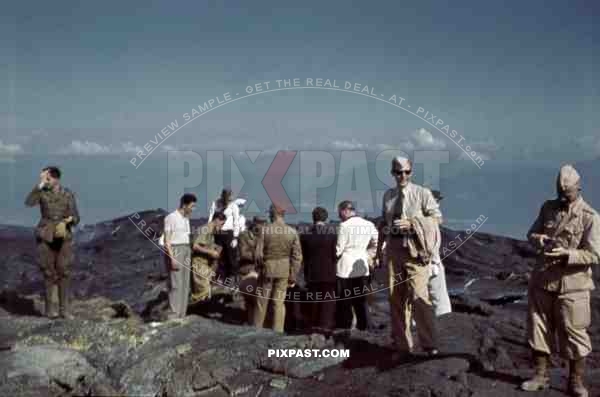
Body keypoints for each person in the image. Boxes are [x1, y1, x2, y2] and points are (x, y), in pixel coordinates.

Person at [520, 164, 600, 397]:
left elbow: (594, 254)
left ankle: (575, 381)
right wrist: (540, 240)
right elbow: (531, 234)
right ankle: (540, 376)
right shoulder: (548, 208)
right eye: (560, 192)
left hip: (572, 285)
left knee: (574, 332)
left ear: (579, 188)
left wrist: (569, 255)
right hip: (543, 279)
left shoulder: (590, 217)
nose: (563, 197)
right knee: (538, 328)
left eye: (568, 193)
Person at [377, 156, 441, 357]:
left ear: (411, 172)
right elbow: (383, 221)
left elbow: (437, 218)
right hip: (394, 250)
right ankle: (402, 344)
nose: (402, 175)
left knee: (419, 296)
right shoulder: (388, 195)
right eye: (398, 172)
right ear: (392, 173)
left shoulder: (422, 193)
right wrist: (380, 248)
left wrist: (413, 223)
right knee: (396, 298)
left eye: (406, 172)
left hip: (415, 252)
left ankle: (429, 344)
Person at [25, 166, 80, 319]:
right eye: (44, 178)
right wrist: (40, 184)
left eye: (47, 178)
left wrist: (67, 222)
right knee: (48, 273)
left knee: (64, 271)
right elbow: (29, 202)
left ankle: (65, 310)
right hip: (45, 234)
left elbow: (76, 217)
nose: (45, 180)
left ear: (55, 178)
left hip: (63, 236)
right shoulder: (41, 192)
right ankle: (50, 310)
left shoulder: (67, 194)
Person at [253, 203, 303, 333]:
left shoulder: (264, 230)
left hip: (267, 268)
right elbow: (297, 257)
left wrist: (259, 268)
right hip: (284, 270)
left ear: (273, 213)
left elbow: (258, 254)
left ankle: (257, 330)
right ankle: (278, 331)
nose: (269, 214)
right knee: (279, 302)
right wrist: (293, 275)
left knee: (261, 302)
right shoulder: (292, 232)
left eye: (270, 212)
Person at [335, 200, 378, 331]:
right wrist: (368, 255)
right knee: (361, 299)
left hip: (345, 267)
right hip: (362, 264)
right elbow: (376, 242)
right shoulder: (369, 224)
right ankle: (364, 326)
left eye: (339, 213)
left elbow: (339, 249)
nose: (339, 216)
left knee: (345, 299)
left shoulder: (344, 226)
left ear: (344, 211)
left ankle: (346, 326)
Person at [300, 207, 338, 331]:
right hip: (329, 271)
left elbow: (304, 256)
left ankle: (313, 324)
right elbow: (334, 254)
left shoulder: (305, 235)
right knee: (328, 301)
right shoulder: (332, 234)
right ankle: (326, 325)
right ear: (326, 218)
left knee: (313, 299)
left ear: (313, 218)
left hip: (312, 271)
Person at [163, 193, 196, 319]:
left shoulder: (186, 219)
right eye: (192, 206)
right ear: (184, 205)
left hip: (186, 248)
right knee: (175, 284)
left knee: (185, 284)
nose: (193, 209)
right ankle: (174, 315)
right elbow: (167, 240)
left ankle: (182, 314)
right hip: (175, 250)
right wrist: (172, 258)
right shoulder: (170, 218)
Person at [190, 212, 226, 304]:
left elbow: (205, 245)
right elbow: (195, 246)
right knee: (202, 291)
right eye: (222, 224)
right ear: (217, 220)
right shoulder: (205, 229)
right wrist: (211, 252)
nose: (222, 227)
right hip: (199, 263)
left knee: (205, 291)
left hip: (205, 264)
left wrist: (215, 248)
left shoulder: (211, 232)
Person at [208, 188, 242, 281]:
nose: (228, 201)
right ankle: (216, 278)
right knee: (217, 257)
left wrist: (235, 237)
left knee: (231, 258)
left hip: (229, 233)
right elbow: (211, 217)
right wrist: (209, 230)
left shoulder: (234, 206)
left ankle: (231, 279)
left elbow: (236, 222)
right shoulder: (215, 203)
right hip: (217, 233)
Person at [427, 190, 452, 317]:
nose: (438, 204)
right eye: (436, 201)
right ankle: (445, 321)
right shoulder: (428, 218)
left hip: (425, 263)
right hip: (431, 263)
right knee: (440, 298)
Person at [238, 216, 266, 324]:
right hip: (247, 270)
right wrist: (259, 256)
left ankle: (254, 322)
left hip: (259, 271)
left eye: (263, 224)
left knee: (258, 300)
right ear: (254, 224)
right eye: (259, 224)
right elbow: (243, 254)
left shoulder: (263, 236)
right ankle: (248, 321)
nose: (261, 227)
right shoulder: (244, 235)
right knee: (249, 299)